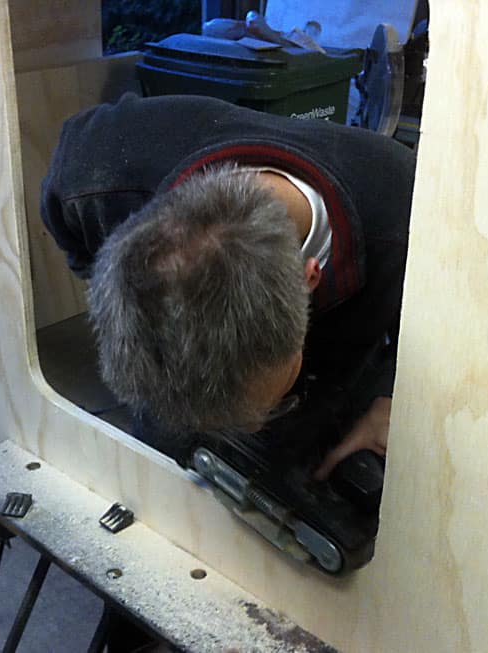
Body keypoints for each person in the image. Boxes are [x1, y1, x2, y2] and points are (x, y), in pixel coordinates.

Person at [41, 92, 415, 478]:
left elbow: (441, 336)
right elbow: (69, 227)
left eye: (270, 403)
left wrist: (392, 398)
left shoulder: (410, 216)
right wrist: (118, 298)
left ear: (310, 279)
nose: (248, 428)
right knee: (168, 460)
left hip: (342, 351)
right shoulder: (95, 168)